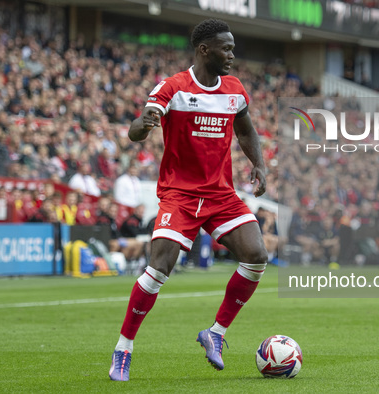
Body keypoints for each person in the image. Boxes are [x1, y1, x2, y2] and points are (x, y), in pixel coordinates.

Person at [109, 19, 268, 381]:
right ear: (204, 49)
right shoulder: (173, 88)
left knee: (257, 256)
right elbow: (136, 131)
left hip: (221, 193)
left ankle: (215, 333)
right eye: (225, 48)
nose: (232, 55)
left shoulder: (235, 89)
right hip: (180, 194)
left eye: (232, 48)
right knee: (158, 267)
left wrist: (258, 164)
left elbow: (245, 129)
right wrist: (145, 122)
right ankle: (123, 349)